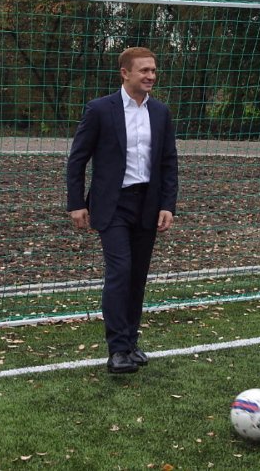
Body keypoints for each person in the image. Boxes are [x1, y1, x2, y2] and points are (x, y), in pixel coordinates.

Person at [66, 47, 179, 374]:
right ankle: (117, 349)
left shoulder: (160, 112)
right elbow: (78, 159)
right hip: (113, 205)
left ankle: (130, 342)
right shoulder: (101, 109)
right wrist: (76, 203)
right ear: (125, 73)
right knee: (120, 272)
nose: (150, 76)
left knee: (137, 277)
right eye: (144, 70)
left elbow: (168, 162)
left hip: (148, 205)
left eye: (153, 71)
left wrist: (167, 205)